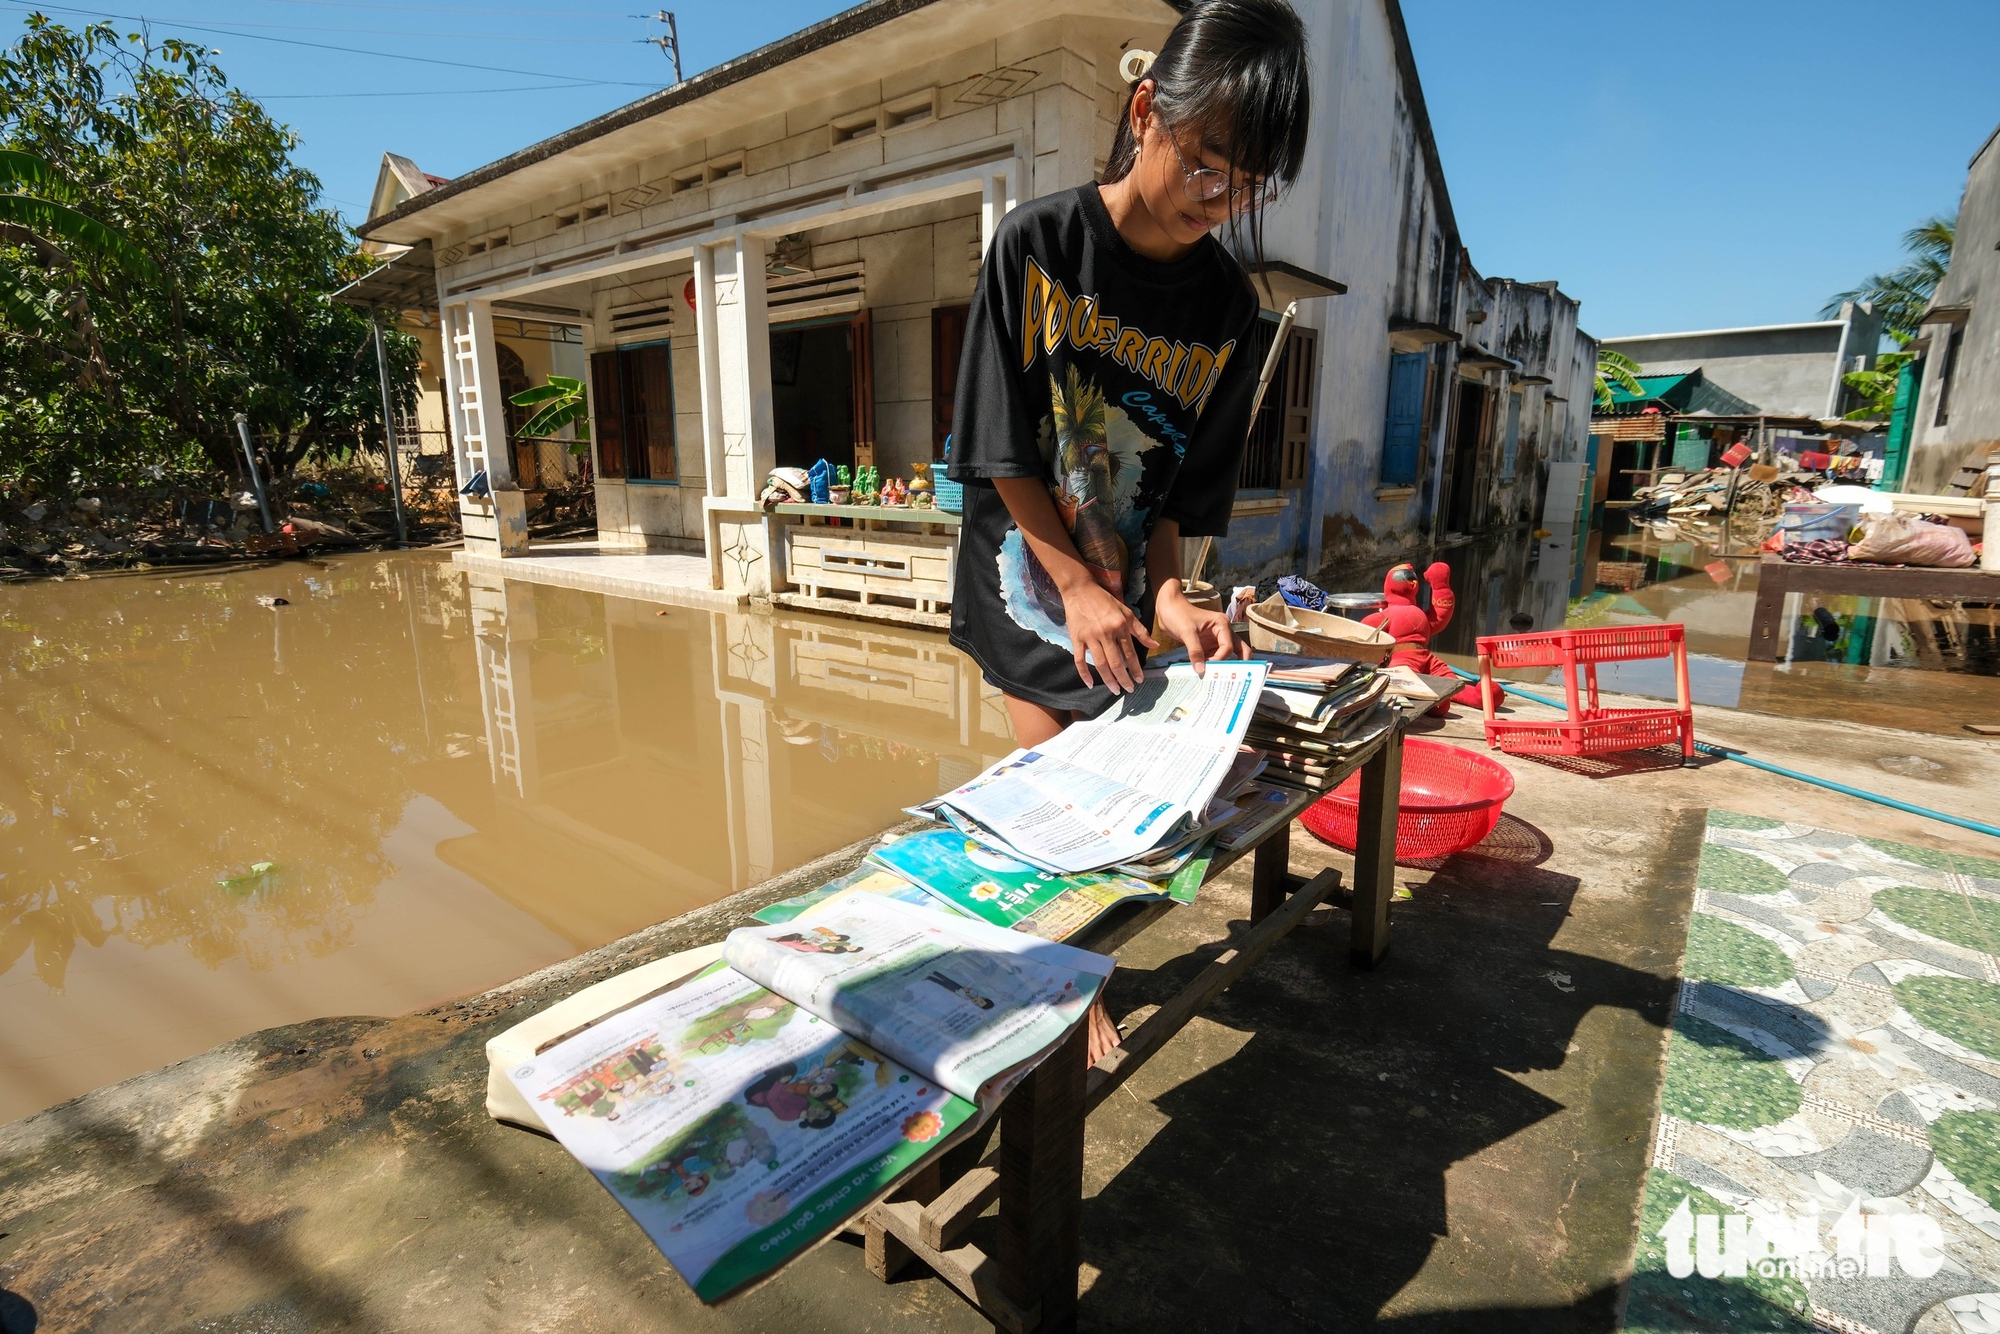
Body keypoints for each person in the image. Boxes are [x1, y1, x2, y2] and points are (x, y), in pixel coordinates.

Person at [946, 0, 1313, 752]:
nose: (1220, 202)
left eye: (1248, 185)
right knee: (1059, 786)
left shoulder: (1229, 310)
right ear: (1146, 111)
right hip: (1029, 577)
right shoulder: (1038, 245)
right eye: (1205, 166)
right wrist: (1075, 587)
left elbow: (1177, 487)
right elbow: (1000, 446)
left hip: (1127, 599)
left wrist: (1173, 592)